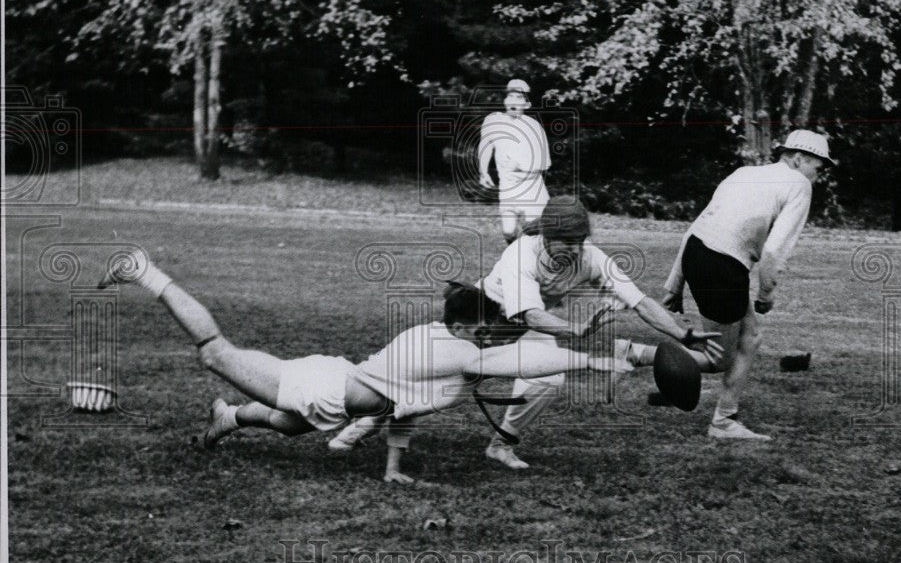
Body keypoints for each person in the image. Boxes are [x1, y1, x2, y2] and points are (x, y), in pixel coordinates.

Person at [97, 252, 634, 483]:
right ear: (471, 328)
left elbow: (403, 410)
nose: (495, 334)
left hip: (333, 387)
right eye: (488, 327)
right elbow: (534, 357)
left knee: (286, 426)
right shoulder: (460, 353)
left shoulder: (445, 348)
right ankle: (146, 271)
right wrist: (601, 358)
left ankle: (227, 418)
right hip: (321, 383)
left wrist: (393, 468)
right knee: (215, 350)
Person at [333, 197, 724, 468]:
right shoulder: (523, 252)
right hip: (481, 324)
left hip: (522, 329)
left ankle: (501, 445)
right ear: (545, 235)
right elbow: (532, 314)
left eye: (579, 242)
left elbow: (639, 301)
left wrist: (681, 334)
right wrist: (575, 328)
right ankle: (367, 420)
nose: (572, 250)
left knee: (549, 380)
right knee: (430, 376)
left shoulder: (591, 258)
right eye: (564, 242)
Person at [661, 129, 835, 441]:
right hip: (723, 266)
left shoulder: (744, 173)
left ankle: (725, 419)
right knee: (720, 359)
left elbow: (696, 227)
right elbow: (772, 250)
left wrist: (675, 283)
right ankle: (636, 356)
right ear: (799, 159)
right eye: (818, 168)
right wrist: (766, 294)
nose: (817, 177)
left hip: (698, 253)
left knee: (751, 336)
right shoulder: (799, 185)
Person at [478, 78, 552, 244]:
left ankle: (531, 260)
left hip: (531, 188)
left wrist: (521, 167)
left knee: (532, 230)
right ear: (505, 101)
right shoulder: (493, 121)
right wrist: (483, 172)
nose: (513, 101)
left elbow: (544, 164)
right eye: (510, 96)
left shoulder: (534, 127)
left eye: (519, 98)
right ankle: (515, 253)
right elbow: (486, 145)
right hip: (508, 188)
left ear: (527, 105)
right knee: (509, 232)